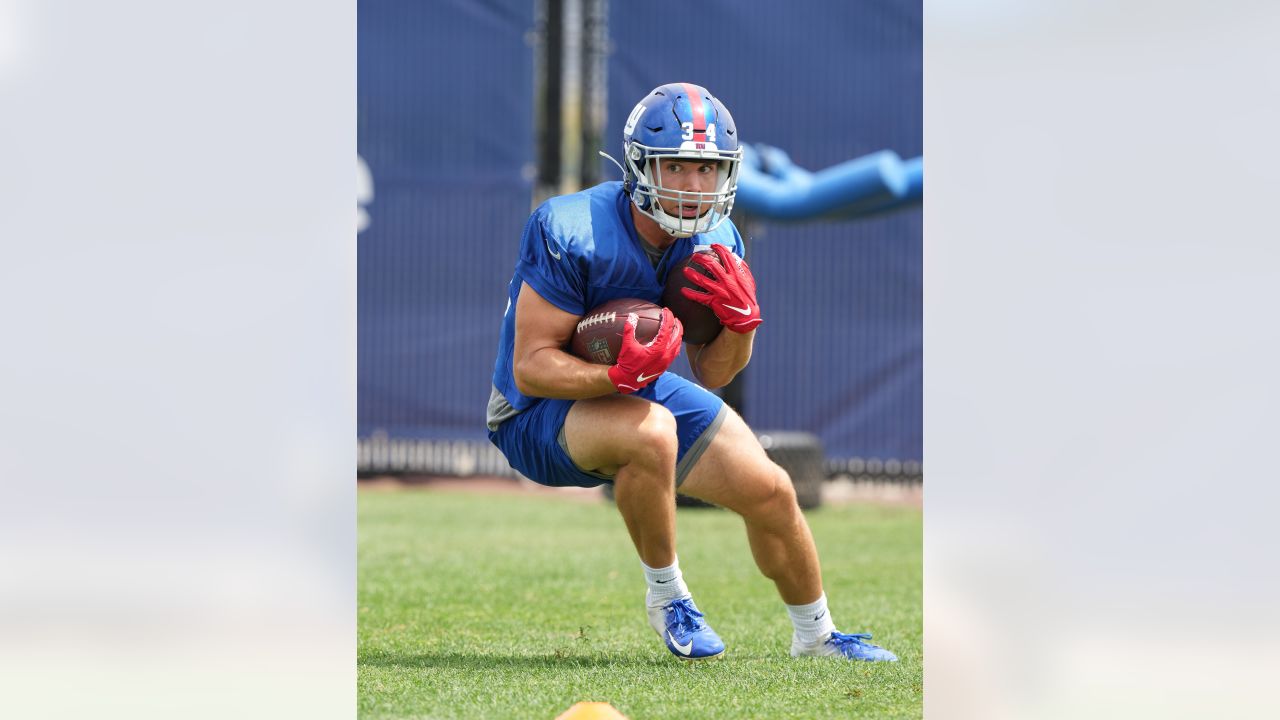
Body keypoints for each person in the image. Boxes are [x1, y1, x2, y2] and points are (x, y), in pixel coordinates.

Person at [486, 82, 897, 662]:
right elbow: (530, 369)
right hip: (534, 414)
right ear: (639, 166)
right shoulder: (571, 226)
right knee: (653, 432)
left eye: (708, 168)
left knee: (772, 489)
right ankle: (668, 598)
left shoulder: (718, 239)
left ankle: (818, 636)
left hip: (636, 389)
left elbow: (712, 373)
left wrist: (742, 326)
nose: (694, 185)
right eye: (676, 166)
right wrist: (615, 376)